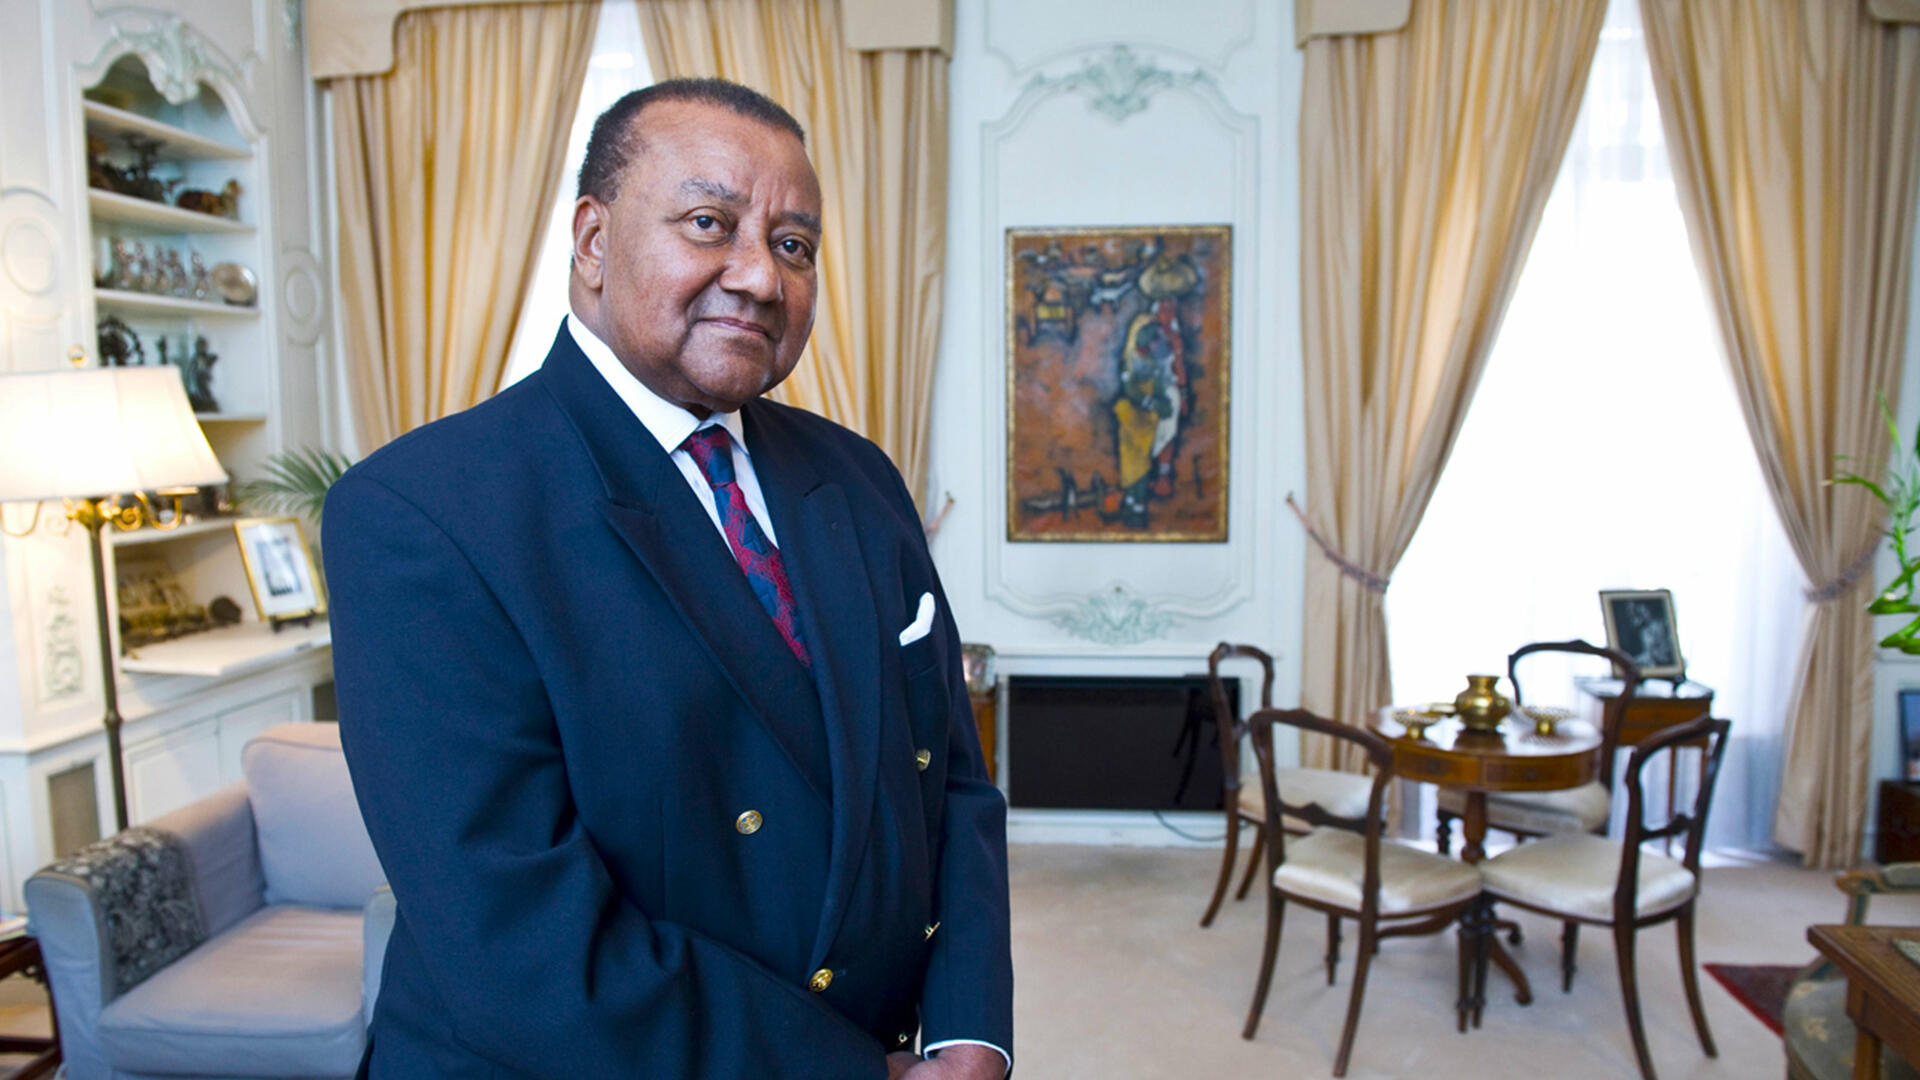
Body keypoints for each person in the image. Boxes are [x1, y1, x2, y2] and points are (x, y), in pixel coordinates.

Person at [324, 78, 1013, 1080]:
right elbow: (518, 944)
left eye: (793, 245)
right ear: (593, 241)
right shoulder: (420, 511)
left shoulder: (859, 476)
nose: (762, 278)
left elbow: (951, 785)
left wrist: (967, 1032)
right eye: (708, 224)